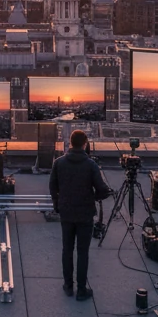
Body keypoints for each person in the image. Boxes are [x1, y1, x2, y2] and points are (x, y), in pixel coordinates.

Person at [49, 129, 111, 301]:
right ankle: (82, 290)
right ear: (85, 144)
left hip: (66, 213)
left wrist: (57, 205)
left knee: (67, 250)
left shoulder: (59, 163)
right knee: (83, 252)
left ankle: (68, 286)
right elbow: (102, 190)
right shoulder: (91, 165)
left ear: (70, 143)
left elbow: (53, 186)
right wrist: (94, 197)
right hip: (85, 213)